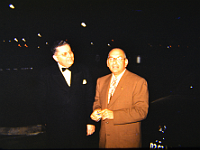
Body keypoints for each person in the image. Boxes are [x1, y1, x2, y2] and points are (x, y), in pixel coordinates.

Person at [37, 40, 95, 148]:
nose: (70, 56)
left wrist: (90, 122)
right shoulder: (45, 74)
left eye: (70, 52)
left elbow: (90, 98)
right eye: (64, 54)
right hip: (56, 128)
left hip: (80, 125)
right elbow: (41, 101)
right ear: (55, 58)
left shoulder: (84, 70)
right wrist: (47, 122)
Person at [90, 48, 149, 148]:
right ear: (107, 62)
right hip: (105, 139)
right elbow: (97, 102)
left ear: (126, 62)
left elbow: (141, 112)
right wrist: (97, 111)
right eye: (111, 59)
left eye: (119, 58)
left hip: (126, 141)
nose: (115, 62)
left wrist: (114, 115)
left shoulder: (138, 82)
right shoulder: (101, 81)